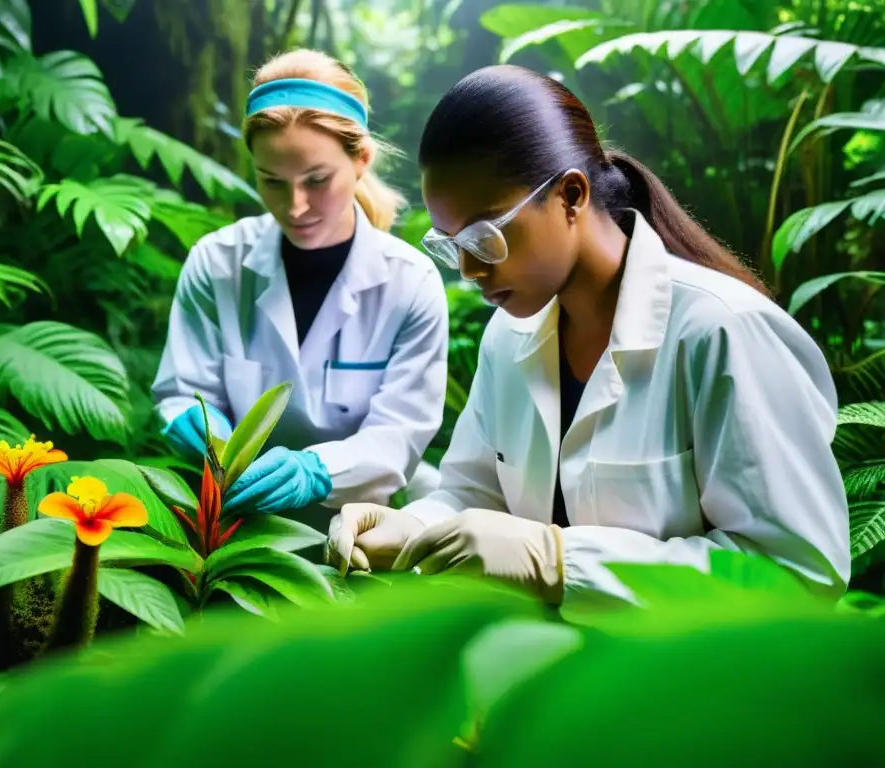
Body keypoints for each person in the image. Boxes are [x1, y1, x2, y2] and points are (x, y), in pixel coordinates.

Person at [325, 64, 850, 606]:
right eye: (451, 243)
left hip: (703, 683)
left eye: (485, 237)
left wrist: (558, 563)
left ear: (571, 196)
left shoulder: (722, 331)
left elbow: (798, 572)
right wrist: (413, 526)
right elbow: (472, 494)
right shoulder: (509, 338)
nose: (469, 269)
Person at [152, 49, 449, 523]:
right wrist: (192, 420)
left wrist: (315, 470)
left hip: (355, 526)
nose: (295, 206)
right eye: (272, 181)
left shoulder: (409, 284)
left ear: (361, 160)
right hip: (230, 517)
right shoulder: (217, 263)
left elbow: (399, 434)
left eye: (317, 180)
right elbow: (184, 391)